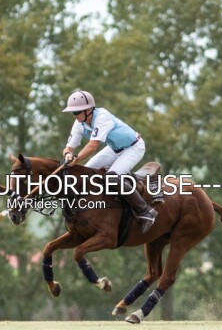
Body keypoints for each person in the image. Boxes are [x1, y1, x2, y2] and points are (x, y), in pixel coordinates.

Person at [61, 90, 157, 233]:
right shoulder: (78, 124)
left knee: (111, 178)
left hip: (133, 147)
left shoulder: (102, 116)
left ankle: (146, 211)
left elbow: (93, 146)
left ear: (88, 109)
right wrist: (68, 155)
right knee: (84, 174)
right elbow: (68, 147)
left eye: (77, 112)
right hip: (114, 148)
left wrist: (76, 159)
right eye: (73, 113)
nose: (75, 115)